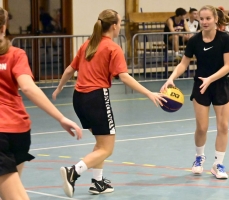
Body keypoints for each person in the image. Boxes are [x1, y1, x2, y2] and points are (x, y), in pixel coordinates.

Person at [52, 9, 166, 198]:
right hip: (96, 98)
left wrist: (59, 88)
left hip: (78, 99)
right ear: (113, 26)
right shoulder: (113, 48)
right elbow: (124, 77)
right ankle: (74, 171)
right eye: (119, 23)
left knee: (100, 143)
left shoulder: (88, 44)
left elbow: (70, 69)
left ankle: (98, 182)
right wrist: (148, 93)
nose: (120, 26)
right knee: (107, 148)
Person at [0, 7, 82, 200]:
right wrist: (60, 117)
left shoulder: (14, 54)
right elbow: (28, 88)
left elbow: (28, 88)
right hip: (19, 132)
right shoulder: (16, 54)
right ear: (4, 27)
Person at [161, 5, 229, 179]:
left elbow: (227, 66)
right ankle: (199, 157)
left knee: (223, 126)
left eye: (208, 18)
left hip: (219, 85)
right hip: (201, 86)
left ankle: (218, 164)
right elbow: (183, 63)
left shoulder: (225, 39)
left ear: (216, 19)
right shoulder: (194, 41)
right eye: (202, 19)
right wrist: (171, 78)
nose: (205, 22)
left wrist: (211, 79)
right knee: (202, 127)